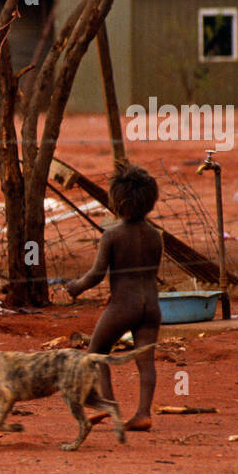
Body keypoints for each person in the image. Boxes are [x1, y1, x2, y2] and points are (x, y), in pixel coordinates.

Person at [62, 162, 163, 431]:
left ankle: (108, 404)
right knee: (145, 360)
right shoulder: (156, 236)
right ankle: (143, 413)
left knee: (96, 353)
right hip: (151, 306)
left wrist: (76, 287)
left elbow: (96, 274)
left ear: (117, 201)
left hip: (123, 305)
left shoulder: (112, 235)